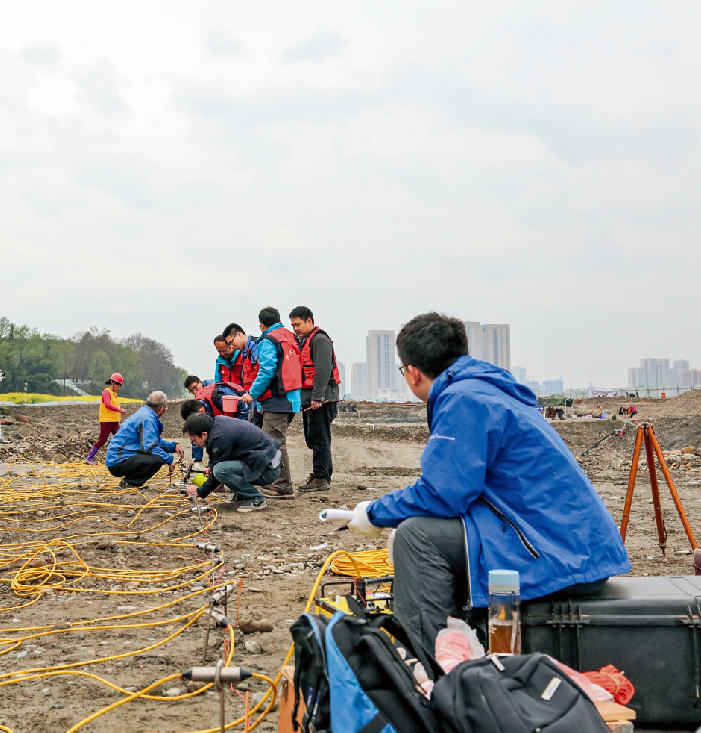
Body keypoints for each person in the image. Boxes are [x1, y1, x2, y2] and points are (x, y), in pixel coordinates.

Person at [347, 313, 631, 649]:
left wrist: (375, 513)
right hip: (577, 548)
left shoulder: (463, 399)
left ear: (412, 373)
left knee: (415, 536)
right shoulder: (488, 390)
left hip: (559, 555)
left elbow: (443, 494)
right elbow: (459, 489)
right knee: (424, 531)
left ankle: (430, 666)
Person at [241, 307, 302, 500]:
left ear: (261, 324)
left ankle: (282, 486)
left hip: (276, 399)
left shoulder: (269, 340)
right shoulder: (289, 337)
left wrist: (252, 394)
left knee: (275, 443)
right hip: (291, 398)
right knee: (276, 441)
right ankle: (278, 483)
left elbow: (267, 370)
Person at [184, 412, 282, 513]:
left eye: (194, 440)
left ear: (204, 434)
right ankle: (242, 496)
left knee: (220, 470)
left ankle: (256, 499)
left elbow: (217, 473)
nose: (194, 443)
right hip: (262, 464)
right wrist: (210, 466)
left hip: (267, 471)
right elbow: (217, 453)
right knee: (219, 468)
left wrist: (200, 491)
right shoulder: (217, 425)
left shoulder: (219, 437)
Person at [289, 306, 341, 491]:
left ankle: (321, 478)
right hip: (310, 398)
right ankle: (323, 474)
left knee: (319, 438)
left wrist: (317, 396)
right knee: (313, 437)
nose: (295, 328)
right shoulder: (303, 341)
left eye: (298, 324)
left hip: (322, 398)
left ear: (309, 321)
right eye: (293, 325)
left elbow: (323, 370)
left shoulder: (320, 340)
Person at [106, 391, 184, 488]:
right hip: (118, 461)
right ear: (162, 409)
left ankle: (131, 480)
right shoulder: (148, 419)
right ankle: (130, 482)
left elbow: (154, 441)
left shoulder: (145, 413)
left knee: (161, 452)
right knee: (157, 459)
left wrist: (174, 445)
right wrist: (169, 459)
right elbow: (150, 448)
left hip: (121, 456)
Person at [222, 322, 263, 428]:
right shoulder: (244, 352)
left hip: (259, 399)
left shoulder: (256, 346)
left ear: (239, 334)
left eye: (232, 342)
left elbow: (262, 374)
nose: (232, 347)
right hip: (251, 398)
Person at [86, 373, 127, 465]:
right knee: (102, 440)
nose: (119, 387)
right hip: (106, 421)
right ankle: (89, 458)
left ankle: (121, 458)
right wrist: (119, 409)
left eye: (120, 386)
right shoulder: (106, 392)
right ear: (113, 383)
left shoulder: (114, 394)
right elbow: (107, 404)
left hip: (114, 421)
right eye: (118, 385)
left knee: (122, 438)